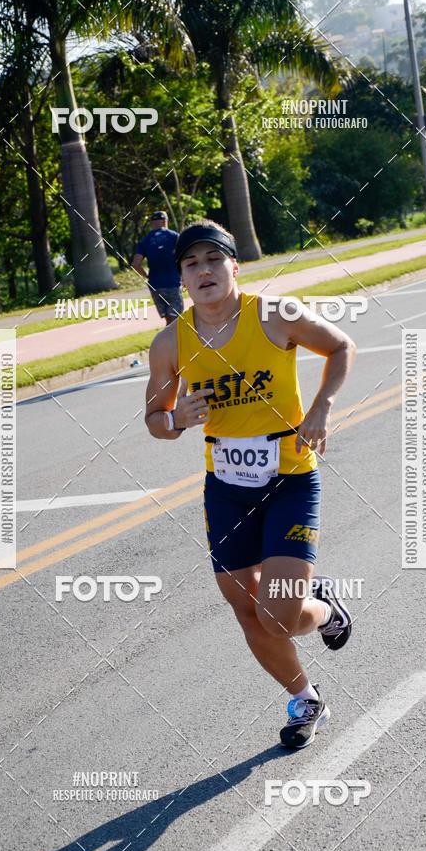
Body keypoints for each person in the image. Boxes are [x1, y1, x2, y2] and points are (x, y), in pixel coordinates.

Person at [144, 220, 356, 750]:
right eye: (191, 264)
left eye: (214, 259)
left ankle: (326, 608)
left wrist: (321, 407)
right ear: (182, 280)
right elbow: (154, 416)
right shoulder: (171, 342)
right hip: (227, 488)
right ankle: (306, 699)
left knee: (278, 614)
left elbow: (341, 346)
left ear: (235, 266)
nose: (203, 271)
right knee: (246, 610)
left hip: (289, 480)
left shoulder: (274, 314)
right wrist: (177, 421)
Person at [133, 211, 184, 325]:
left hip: (155, 284)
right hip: (172, 282)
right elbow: (184, 256)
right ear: (165, 222)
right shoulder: (175, 236)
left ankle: (168, 341)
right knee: (176, 318)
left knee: (168, 319)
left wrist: (146, 275)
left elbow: (136, 264)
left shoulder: (144, 241)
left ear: (152, 223)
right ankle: (176, 341)